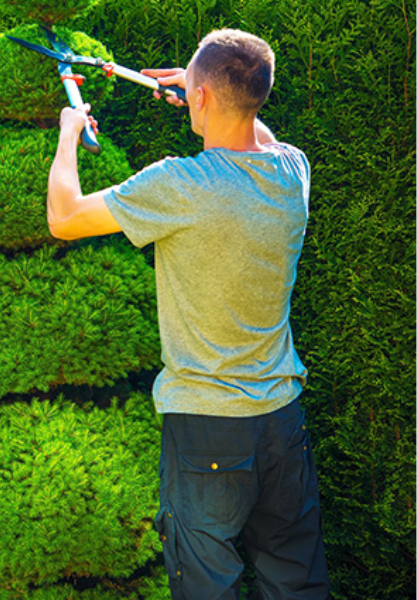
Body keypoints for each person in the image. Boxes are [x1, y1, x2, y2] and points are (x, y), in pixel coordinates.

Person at [47, 29, 330, 599]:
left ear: (201, 97)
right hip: (281, 420)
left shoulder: (181, 185)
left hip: (206, 429)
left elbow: (65, 216)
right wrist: (206, 90)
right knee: (295, 580)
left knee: (206, 584)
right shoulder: (292, 172)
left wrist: (69, 133)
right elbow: (256, 135)